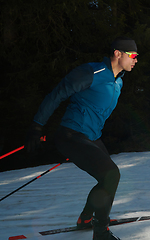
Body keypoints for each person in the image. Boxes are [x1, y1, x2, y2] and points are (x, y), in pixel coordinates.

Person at [25, 36, 138, 240]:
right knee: (111, 175)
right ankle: (100, 233)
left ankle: (86, 218)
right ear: (117, 54)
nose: (136, 59)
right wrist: (36, 125)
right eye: (132, 55)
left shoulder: (118, 82)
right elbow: (58, 93)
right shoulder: (91, 72)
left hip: (91, 137)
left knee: (107, 178)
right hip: (71, 135)